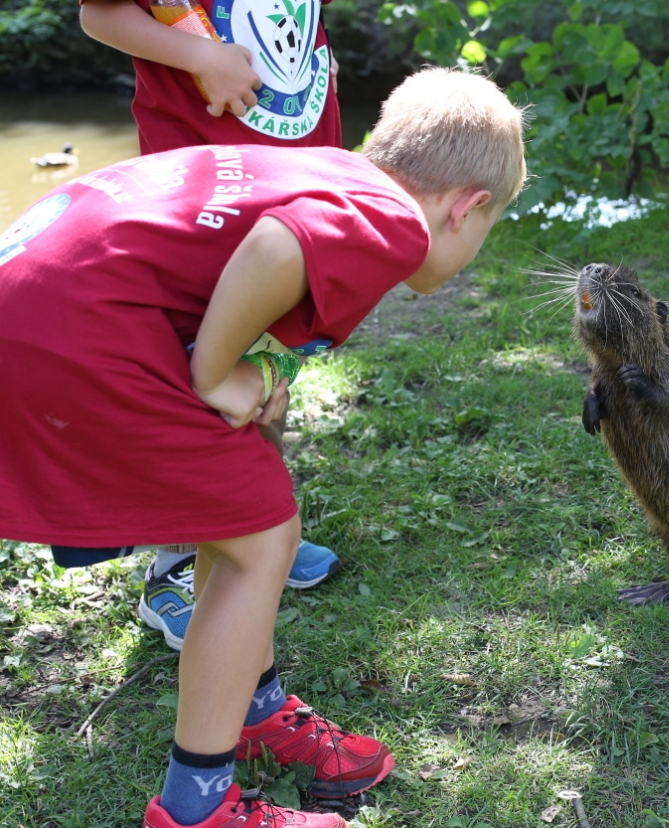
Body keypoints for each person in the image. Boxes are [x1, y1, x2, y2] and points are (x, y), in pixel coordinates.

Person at [0, 67, 526, 828]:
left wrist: (253, 367)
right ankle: (199, 809)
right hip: (75, 327)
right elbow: (279, 245)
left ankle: (252, 705)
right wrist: (216, 370)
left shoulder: (335, 170)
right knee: (263, 541)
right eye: (489, 227)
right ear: (467, 208)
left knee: (238, 510)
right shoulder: (396, 218)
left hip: (38, 291)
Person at [79, 0, 346, 650]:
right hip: (202, 177)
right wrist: (201, 56)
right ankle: (172, 565)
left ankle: (255, 523)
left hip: (295, 163)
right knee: (194, 351)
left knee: (269, 341)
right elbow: (99, 13)